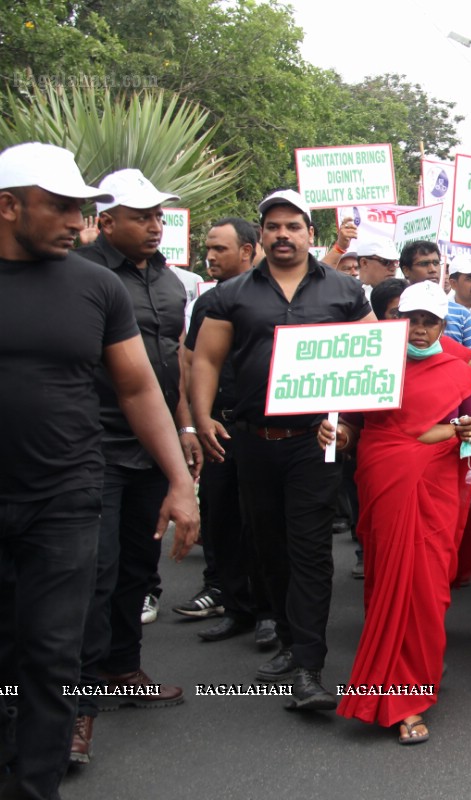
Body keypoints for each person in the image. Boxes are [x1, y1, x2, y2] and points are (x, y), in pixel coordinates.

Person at [0, 142, 198, 796]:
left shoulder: (95, 287)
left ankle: (38, 782)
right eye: (58, 207)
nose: (74, 220)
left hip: (66, 497)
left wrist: (180, 480)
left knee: (52, 649)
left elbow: (141, 389)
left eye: (80, 209)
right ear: (8, 207)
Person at [190, 189, 374, 711]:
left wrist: (350, 426)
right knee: (268, 547)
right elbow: (205, 360)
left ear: (310, 234)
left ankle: (311, 667)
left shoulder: (344, 291)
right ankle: (293, 645)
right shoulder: (233, 294)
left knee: (312, 551)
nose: (283, 234)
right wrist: (199, 418)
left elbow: (370, 359)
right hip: (252, 442)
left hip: (314, 444)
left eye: (293, 226)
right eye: (273, 226)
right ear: (261, 235)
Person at [326, 281, 471, 745]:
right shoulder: (373, 366)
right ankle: (392, 685)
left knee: (424, 589)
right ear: (396, 319)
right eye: (411, 319)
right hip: (382, 485)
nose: (419, 329)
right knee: (386, 585)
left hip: (434, 492)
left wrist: (469, 431)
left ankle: (412, 698)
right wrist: (339, 436)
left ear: (443, 325)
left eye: (430, 321)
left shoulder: (461, 373)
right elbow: (353, 429)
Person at [73, 168, 199, 756]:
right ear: (105, 221)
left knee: (136, 568)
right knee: (89, 575)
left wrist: (183, 431)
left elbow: (173, 364)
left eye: (159, 216)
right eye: (142, 216)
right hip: (91, 445)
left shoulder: (173, 283)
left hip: (153, 448)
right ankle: (73, 705)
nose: (155, 226)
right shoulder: (82, 276)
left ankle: (124, 669)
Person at [182, 217, 277, 647]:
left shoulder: (278, 297)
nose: (211, 256)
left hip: (263, 429)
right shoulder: (208, 303)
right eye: (208, 248)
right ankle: (234, 606)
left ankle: (269, 613)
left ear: (247, 249)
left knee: (261, 524)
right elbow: (190, 365)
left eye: (220, 248)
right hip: (218, 428)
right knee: (219, 518)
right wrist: (195, 420)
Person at [399, 242, 471, 352]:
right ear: (406, 270)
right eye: (424, 264)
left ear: (443, 326)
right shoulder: (396, 307)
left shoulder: (462, 314)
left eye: (436, 263)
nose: (432, 269)